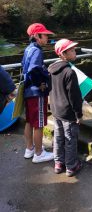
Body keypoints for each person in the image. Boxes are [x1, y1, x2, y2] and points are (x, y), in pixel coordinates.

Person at [48, 39, 83, 177]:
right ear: (63, 54)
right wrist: (78, 114)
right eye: (72, 50)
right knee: (70, 138)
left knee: (58, 137)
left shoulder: (51, 69)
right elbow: (74, 97)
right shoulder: (69, 72)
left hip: (56, 110)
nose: (75, 52)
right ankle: (71, 166)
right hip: (68, 113)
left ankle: (58, 163)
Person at [22, 23, 54, 163]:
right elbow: (34, 69)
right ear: (36, 36)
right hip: (36, 93)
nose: (47, 37)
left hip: (28, 91)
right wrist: (39, 84)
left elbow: (25, 68)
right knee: (39, 124)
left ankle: (29, 149)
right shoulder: (37, 50)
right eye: (45, 35)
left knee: (29, 121)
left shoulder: (28, 49)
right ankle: (39, 153)